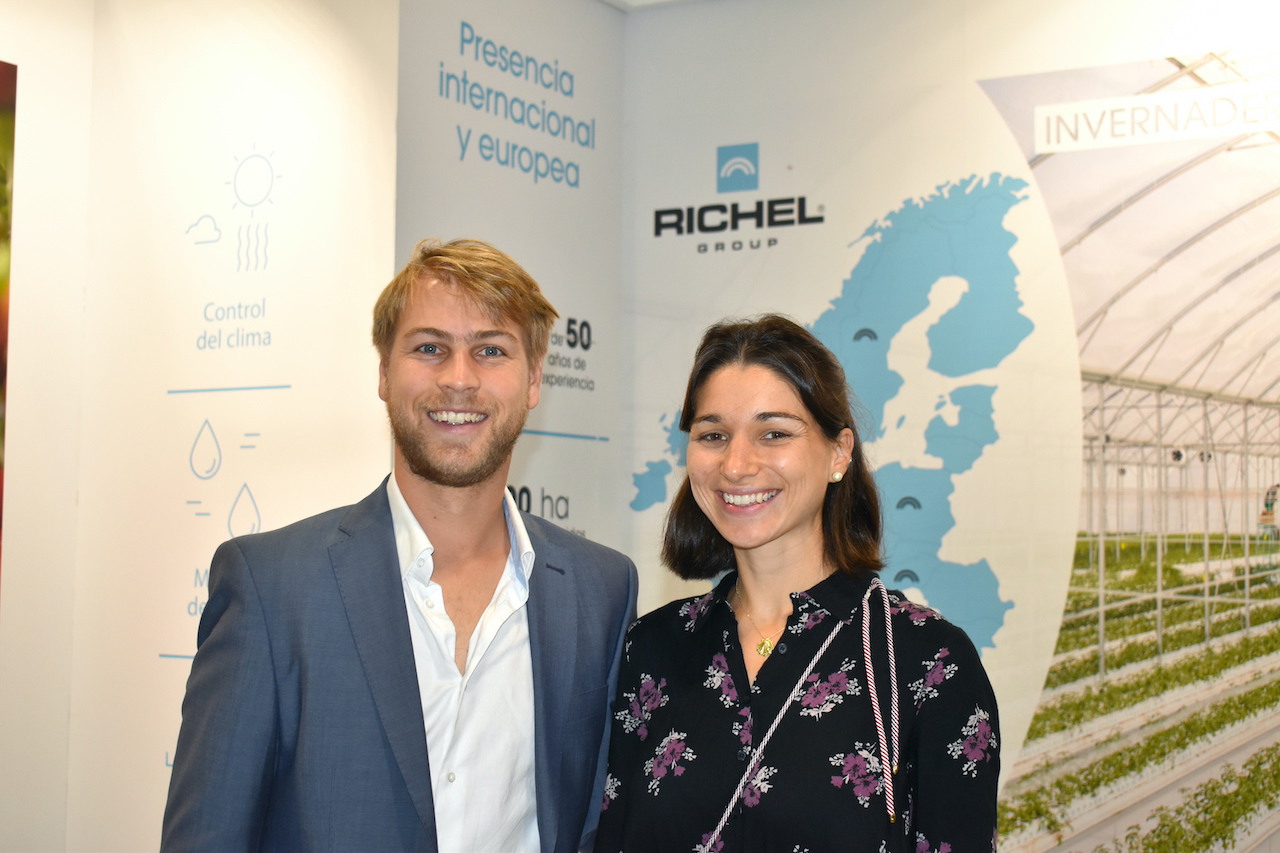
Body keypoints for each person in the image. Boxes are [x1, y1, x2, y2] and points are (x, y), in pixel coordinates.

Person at [162, 238, 638, 853]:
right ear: (385, 373)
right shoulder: (272, 588)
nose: (459, 378)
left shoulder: (601, 591)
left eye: (491, 350)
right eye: (429, 348)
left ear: (534, 378)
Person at [595, 315, 999, 853]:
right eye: (713, 435)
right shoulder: (651, 647)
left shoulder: (928, 662)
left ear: (839, 452)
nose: (736, 465)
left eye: (775, 434)